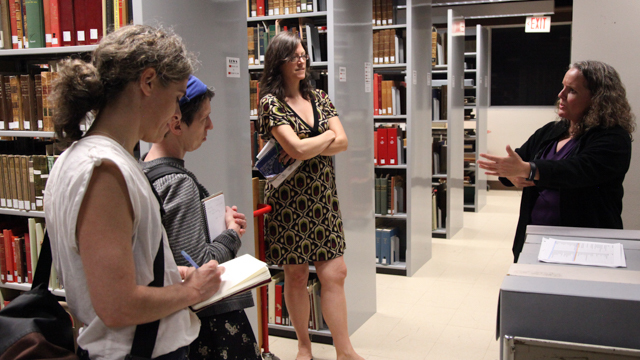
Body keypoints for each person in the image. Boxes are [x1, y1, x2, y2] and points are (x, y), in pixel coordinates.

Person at [44, 25, 226, 359]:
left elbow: (116, 269)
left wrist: (171, 275)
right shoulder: (105, 170)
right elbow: (117, 305)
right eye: (175, 97)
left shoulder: (82, 158)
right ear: (147, 81)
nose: (175, 113)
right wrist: (193, 290)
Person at [258, 31, 363, 360]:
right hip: (288, 202)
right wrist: (325, 137)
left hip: (323, 199)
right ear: (279, 63)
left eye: (304, 54)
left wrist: (311, 145)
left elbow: (343, 141)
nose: (302, 60)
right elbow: (296, 149)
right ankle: (304, 345)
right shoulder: (270, 104)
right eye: (294, 56)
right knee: (296, 273)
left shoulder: (319, 97)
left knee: (336, 272)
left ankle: (344, 350)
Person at [141, 75, 261, 360]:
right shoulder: (179, 184)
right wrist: (231, 233)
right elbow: (199, 266)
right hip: (209, 331)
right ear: (176, 123)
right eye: (204, 118)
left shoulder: (143, 169)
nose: (211, 126)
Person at [478, 60, 635, 262]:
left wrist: (529, 170)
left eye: (572, 91)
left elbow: (577, 170)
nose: (560, 95)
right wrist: (511, 174)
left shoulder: (612, 138)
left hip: (585, 246)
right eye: (563, 87)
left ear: (597, 99)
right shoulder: (551, 131)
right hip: (535, 241)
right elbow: (518, 161)